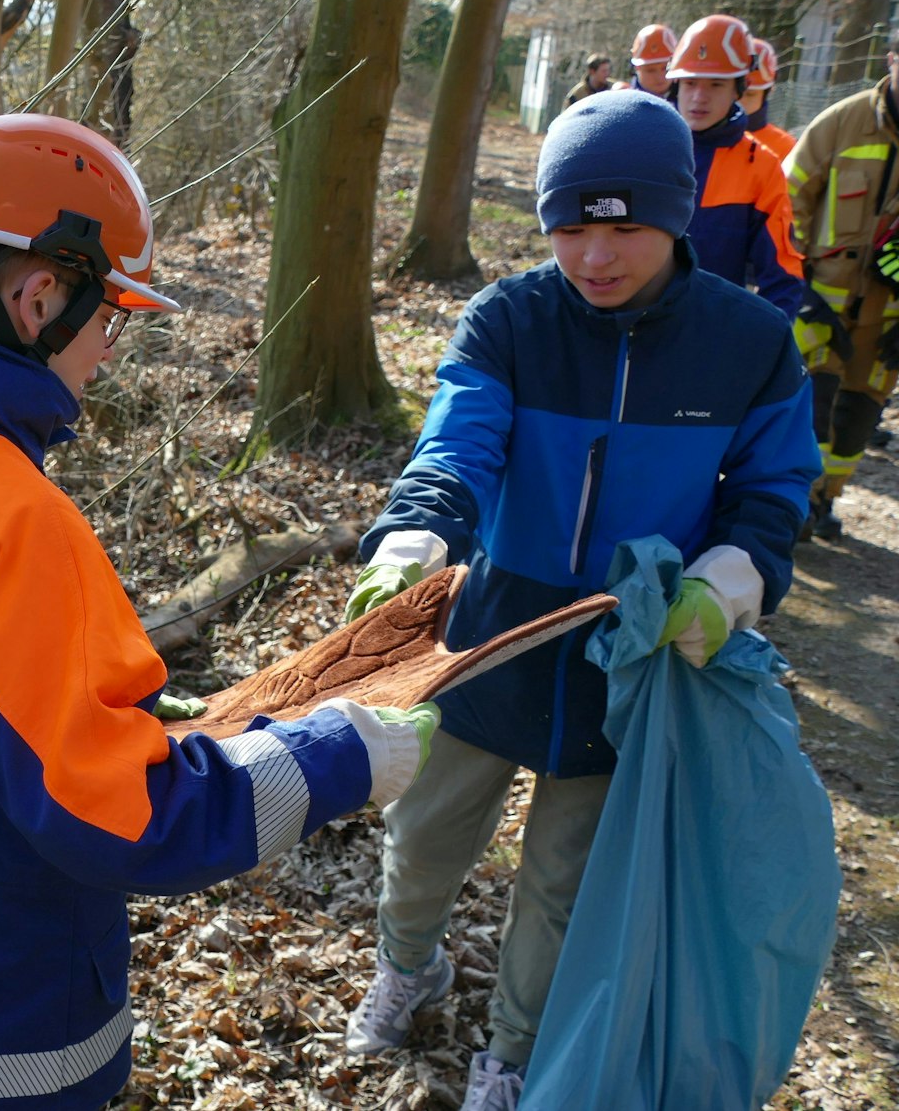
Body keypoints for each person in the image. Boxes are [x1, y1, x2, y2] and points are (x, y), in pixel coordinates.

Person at [0, 113, 440, 1111]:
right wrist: (341, 758)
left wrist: (94, 709)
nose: (109, 348)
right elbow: (124, 819)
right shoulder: (21, 522)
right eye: (112, 316)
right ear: (41, 298)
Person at [338, 90, 818, 1111]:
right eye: (569, 228)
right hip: (490, 635)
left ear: (676, 217)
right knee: (422, 838)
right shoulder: (509, 319)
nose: (594, 257)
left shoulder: (748, 342)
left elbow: (773, 490)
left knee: (564, 877)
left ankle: (514, 1050)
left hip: (629, 655)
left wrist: (728, 579)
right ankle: (407, 964)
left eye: (624, 229)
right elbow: (456, 445)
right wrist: (415, 536)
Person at [782, 28, 899, 540]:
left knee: (858, 415)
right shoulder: (843, 122)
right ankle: (799, 501)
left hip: (888, 316)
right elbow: (789, 196)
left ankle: (826, 497)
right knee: (813, 403)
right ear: (892, 59)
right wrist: (797, 279)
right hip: (821, 303)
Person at [667, 13, 804, 320]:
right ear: (676, 86)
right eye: (690, 82)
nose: (699, 97)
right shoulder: (645, 147)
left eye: (716, 84)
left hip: (714, 328)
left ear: (739, 88)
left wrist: (767, 339)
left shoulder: (761, 167)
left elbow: (782, 273)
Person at [742, 38, 796, 159]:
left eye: (749, 94)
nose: (738, 102)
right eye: (732, 94)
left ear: (770, 89)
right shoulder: (701, 138)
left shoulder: (784, 147)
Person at [623, 23, 676, 97]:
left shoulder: (689, 98)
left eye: (665, 68)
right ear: (637, 68)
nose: (659, 77)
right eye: (650, 70)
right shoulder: (627, 101)